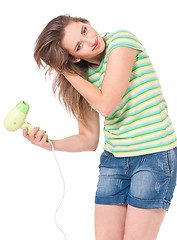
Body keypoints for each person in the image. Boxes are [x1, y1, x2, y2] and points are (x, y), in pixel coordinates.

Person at [23, 14, 177, 240]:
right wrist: (50, 144)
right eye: (79, 46)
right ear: (74, 58)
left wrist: (64, 70)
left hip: (153, 157)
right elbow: (88, 140)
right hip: (114, 161)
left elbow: (106, 104)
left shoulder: (121, 42)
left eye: (84, 31)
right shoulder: (83, 79)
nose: (90, 40)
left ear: (86, 21)